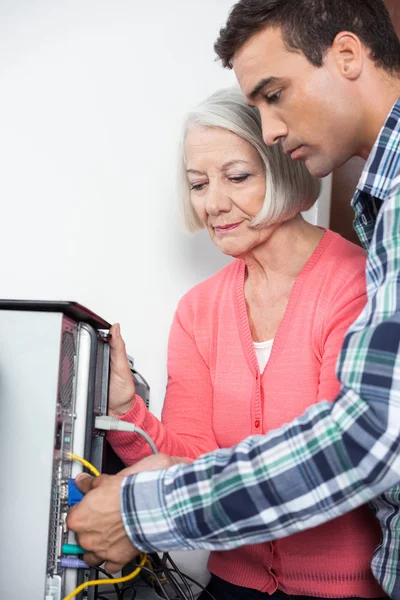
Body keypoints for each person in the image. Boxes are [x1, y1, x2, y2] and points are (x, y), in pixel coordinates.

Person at [68, 1, 400, 598]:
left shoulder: (357, 277)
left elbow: (352, 449)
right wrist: (128, 414)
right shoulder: (199, 310)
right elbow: (190, 455)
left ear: (284, 167)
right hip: (233, 585)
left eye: (236, 177)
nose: (212, 203)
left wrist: (140, 514)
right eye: (198, 184)